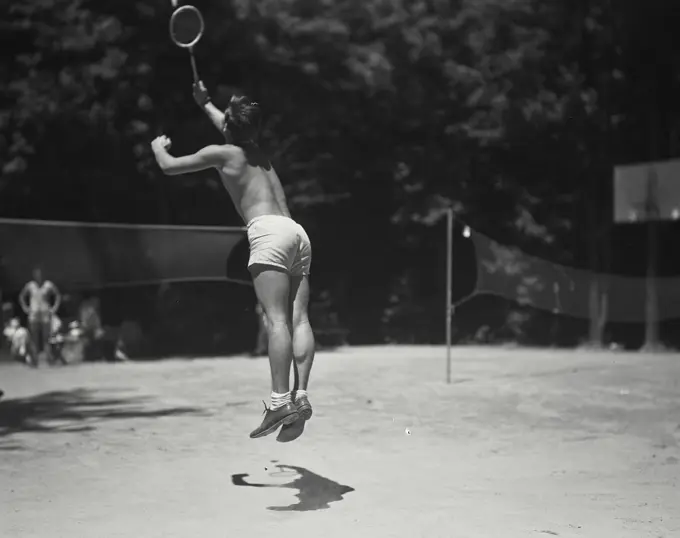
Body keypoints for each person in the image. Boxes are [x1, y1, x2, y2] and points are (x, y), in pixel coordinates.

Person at [150, 82, 315, 442]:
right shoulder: (259, 154)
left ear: (228, 127)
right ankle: (300, 397)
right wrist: (205, 103)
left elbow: (169, 167)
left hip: (268, 234)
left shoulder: (222, 153)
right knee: (298, 318)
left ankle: (278, 402)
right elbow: (233, 127)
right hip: (297, 233)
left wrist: (157, 147)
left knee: (275, 320)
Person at [19, 267, 61, 366]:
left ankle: (49, 359)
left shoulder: (48, 285)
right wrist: (25, 308)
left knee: (46, 338)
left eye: (40, 274)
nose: (39, 276)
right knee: (34, 338)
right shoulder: (30, 285)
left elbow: (57, 295)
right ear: (34, 275)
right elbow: (21, 296)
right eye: (37, 274)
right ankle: (34, 360)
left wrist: (54, 308)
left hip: (45, 314)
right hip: (33, 314)